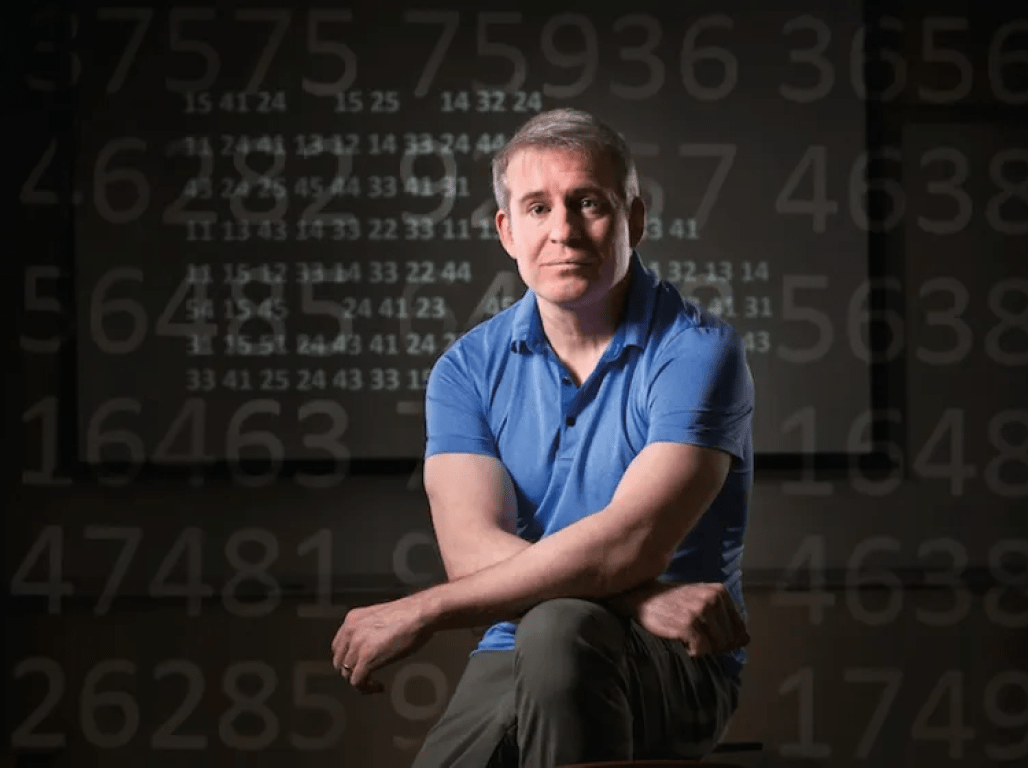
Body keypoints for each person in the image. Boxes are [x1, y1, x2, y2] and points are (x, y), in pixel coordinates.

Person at [331, 107, 754, 767]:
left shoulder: (698, 352)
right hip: (518, 644)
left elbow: (630, 543)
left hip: (676, 663)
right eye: (536, 208)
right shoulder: (465, 371)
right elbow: (471, 557)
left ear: (634, 219)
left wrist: (423, 611)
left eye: (589, 203)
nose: (563, 231)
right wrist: (642, 595)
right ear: (506, 230)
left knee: (561, 626)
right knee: (544, 635)